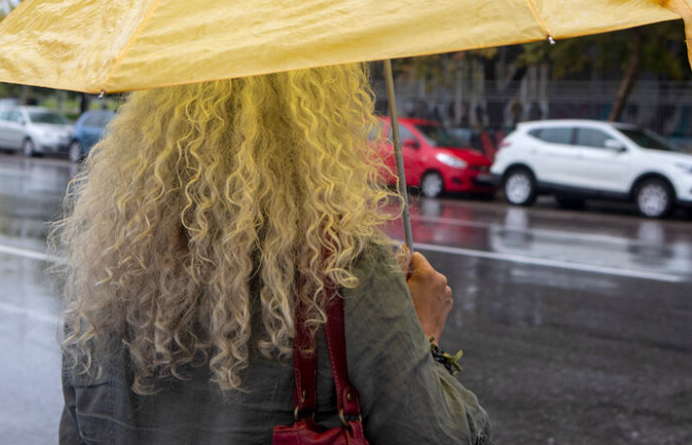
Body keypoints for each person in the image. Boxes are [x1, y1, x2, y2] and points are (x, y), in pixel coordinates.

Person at [55, 64, 493, 444]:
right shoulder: (345, 267)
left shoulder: (106, 269)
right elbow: (440, 435)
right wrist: (425, 336)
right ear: (317, 126)